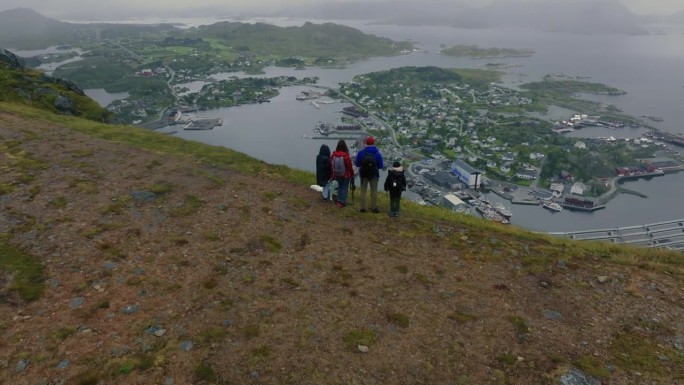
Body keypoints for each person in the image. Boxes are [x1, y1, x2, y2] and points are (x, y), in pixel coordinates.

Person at [354, 136, 384, 213]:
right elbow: (381, 166)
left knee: (363, 191)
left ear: (366, 143)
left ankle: (362, 207)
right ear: (373, 143)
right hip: (374, 174)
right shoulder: (377, 153)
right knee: (374, 191)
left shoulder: (361, 153)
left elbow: (357, 164)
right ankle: (373, 207)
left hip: (363, 174)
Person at [329, 139, 355, 208]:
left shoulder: (333, 155)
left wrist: (333, 174)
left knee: (340, 187)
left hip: (337, 174)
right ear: (345, 146)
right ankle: (342, 202)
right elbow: (349, 166)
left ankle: (339, 200)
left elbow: (331, 164)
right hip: (345, 175)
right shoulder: (346, 156)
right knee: (344, 187)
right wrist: (352, 174)